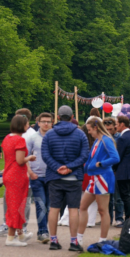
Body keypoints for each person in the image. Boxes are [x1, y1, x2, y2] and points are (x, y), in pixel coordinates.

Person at [42, 105, 89, 251]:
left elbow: (45, 154)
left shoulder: (49, 134)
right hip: (73, 177)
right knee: (74, 209)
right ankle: (74, 242)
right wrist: (70, 167)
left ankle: (53, 240)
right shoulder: (80, 134)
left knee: (54, 208)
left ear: (58, 117)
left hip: (54, 176)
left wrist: (57, 167)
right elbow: (84, 155)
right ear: (72, 116)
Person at [77, 118, 120, 246]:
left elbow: (115, 157)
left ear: (95, 128)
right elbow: (91, 159)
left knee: (102, 210)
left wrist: (101, 163)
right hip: (94, 177)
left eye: (89, 130)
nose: (89, 132)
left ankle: (102, 240)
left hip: (103, 177)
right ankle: (79, 238)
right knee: (83, 207)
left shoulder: (106, 140)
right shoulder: (98, 140)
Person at [1, 115, 36, 246]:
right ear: (21, 125)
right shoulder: (19, 140)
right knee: (17, 206)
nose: (28, 126)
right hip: (17, 176)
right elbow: (20, 160)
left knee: (15, 204)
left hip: (9, 174)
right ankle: (11, 237)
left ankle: (20, 234)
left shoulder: (7, 138)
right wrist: (30, 157)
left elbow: (8, 158)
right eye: (27, 124)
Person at [26, 113, 54, 243]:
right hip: (36, 176)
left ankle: (43, 230)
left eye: (48, 121)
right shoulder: (32, 138)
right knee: (40, 204)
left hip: (51, 176)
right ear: (38, 123)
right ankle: (43, 231)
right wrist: (30, 172)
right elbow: (25, 156)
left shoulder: (54, 137)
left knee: (49, 206)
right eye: (43, 121)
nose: (46, 124)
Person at [114, 116, 130, 224]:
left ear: (122, 124)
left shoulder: (122, 138)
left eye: (117, 123)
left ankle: (129, 217)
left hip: (124, 171)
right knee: (128, 194)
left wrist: (113, 168)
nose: (115, 126)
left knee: (125, 195)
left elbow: (118, 156)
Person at [103, 118, 124, 226]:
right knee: (108, 197)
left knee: (117, 197)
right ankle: (109, 219)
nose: (108, 130)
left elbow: (119, 156)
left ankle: (119, 218)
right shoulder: (104, 138)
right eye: (106, 129)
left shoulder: (119, 138)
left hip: (116, 170)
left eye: (110, 129)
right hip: (106, 170)